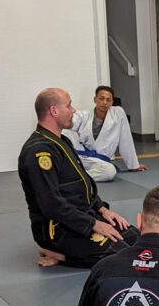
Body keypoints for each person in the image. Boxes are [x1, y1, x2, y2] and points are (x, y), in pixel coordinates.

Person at [19, 87, 140, 268]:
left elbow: (83, 183)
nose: (73, 110)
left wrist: (102, 211)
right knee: (123, 257)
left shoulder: (63, 141)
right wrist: (95, 225)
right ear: (54, 111)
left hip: (83, 218)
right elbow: (51, 204)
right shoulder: (39, 151)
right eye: (68, 105)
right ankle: (58, 254)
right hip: (58, 230)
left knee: (138, 240)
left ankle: (74, 246)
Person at [67, 85, 147, 183]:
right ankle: (75, 174)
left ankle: (74, 178)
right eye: (101, 99)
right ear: (95, 100)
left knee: (110, 172)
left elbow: (126, 139)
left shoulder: (118, 114)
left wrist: (133, 165)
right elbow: (70, 122)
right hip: (80, 157)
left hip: (99, 162)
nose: (105, 102)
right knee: (66, 131)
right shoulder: (83, 115)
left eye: (108, 100)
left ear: (112, 102)